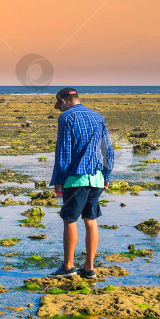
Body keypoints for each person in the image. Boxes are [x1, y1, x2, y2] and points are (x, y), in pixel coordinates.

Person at [48, 88, 114, 278]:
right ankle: (88, 268)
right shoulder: (98, 117)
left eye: (58, 105)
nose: (58, 109)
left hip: (76, 178)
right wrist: (107, 176)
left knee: (69, 219)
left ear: (63, 102)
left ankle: (68, 267)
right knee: (91, 220)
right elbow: (108, 149)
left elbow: (64, 151)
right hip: (97, 178)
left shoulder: (66, 118)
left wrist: (58, 180)